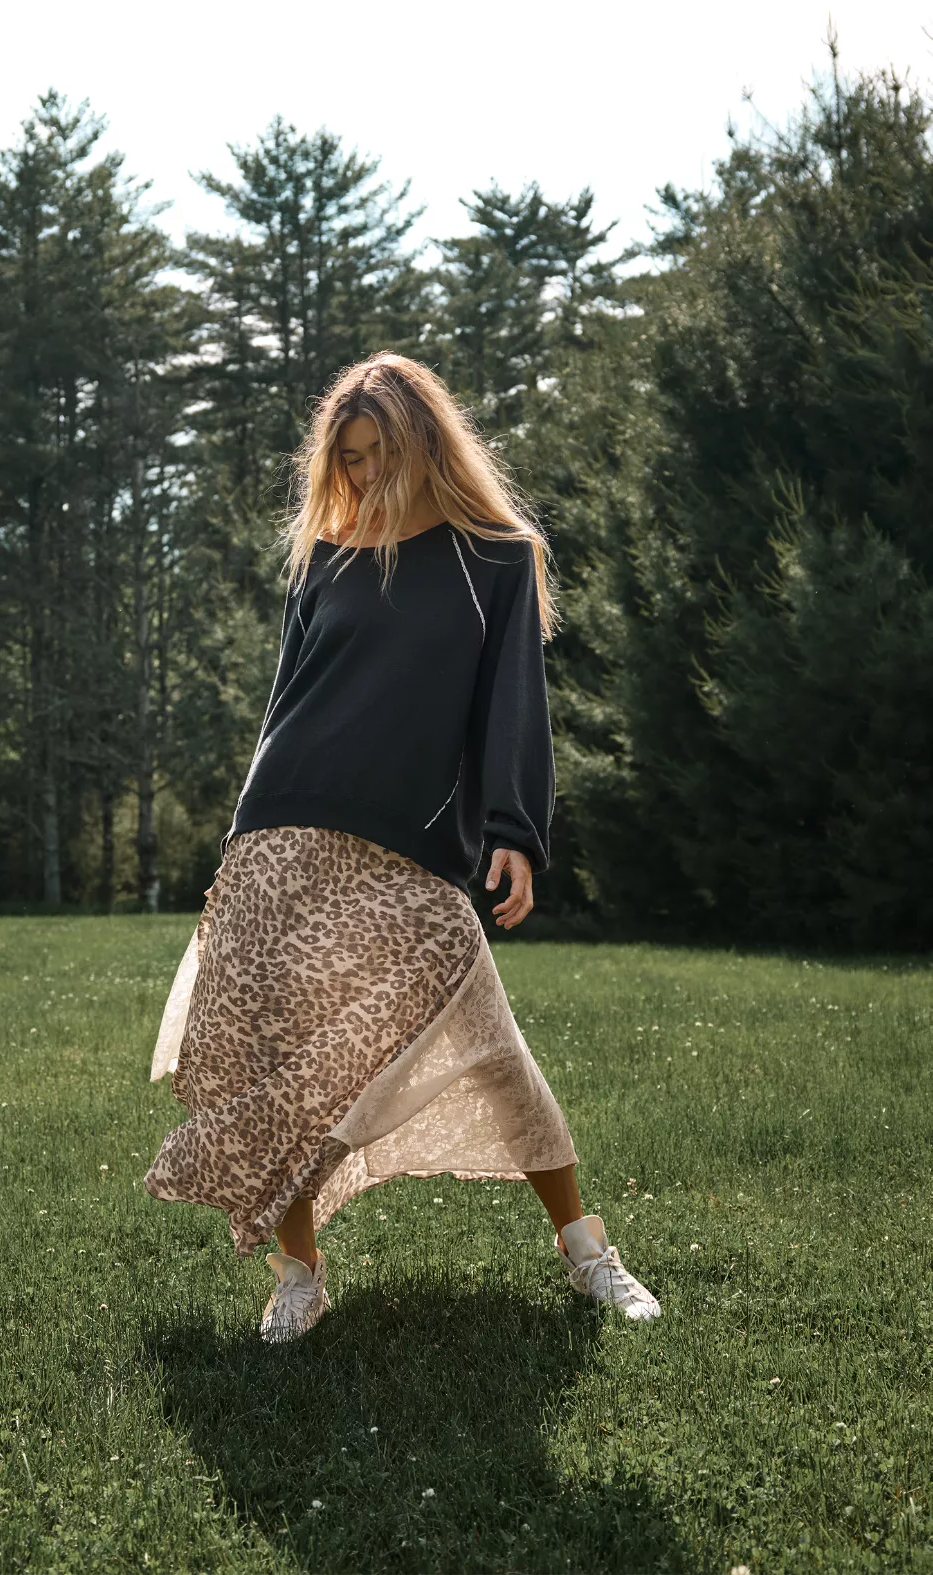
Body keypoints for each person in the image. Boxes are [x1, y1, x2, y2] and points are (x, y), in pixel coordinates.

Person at [144, 353, 660, 1341]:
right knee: (276, 1063)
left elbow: (513, 700)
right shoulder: (323, 556)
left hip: (406, 849)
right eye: (349, 457)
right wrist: (244, 834)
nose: (366, 472)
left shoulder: (494, 556)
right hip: (282, 829)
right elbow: (284, 703)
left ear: (424, 443)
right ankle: (300, 1275)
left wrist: (515, 829)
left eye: (380, 451)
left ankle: (586, 1249)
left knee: (492, 1043)